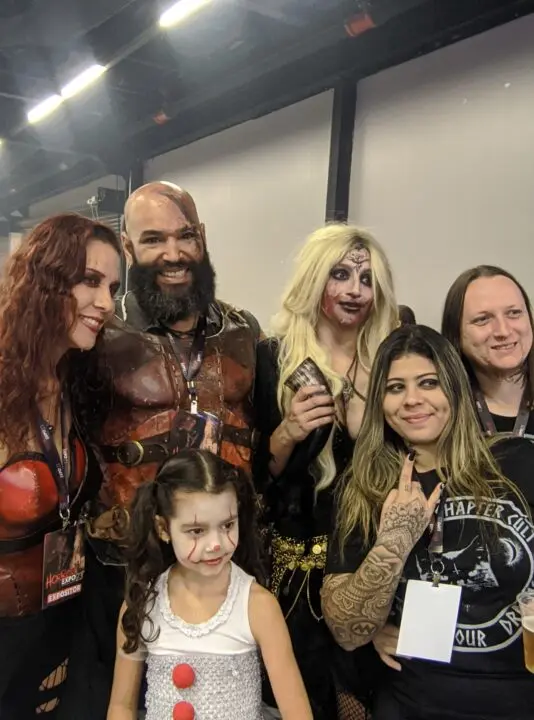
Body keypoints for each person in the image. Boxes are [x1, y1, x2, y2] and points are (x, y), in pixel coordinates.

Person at [78, 181, 262, 717]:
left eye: (185, 236)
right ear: (128, 247)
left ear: (202, 237)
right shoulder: (98, 334)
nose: (174, 253)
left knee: (218, 701)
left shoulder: (243, 330)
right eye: (154, 239)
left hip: (223, 563)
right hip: (121, 564)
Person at [322, 324, 534, 720]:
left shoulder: (518, 461)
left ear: (454, 387)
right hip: (412, 702)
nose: (412, 400)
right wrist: (394, 540)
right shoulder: (366, 486)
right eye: (395, 388)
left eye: (428, 382)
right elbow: (347, 633)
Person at [254, 224, 398, 719]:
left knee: (370, 696)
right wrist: (289, 431)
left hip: (371, 565)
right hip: (296, 577)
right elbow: (258, 475)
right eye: (341, 274)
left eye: (367, 278)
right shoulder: (274, 358)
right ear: (315, 279)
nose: (355, 289)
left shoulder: (391, 362)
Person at [0, 214, 120, 719]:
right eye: (90, 281)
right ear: (45, 281)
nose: (106, 303)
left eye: (113, 288)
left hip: (67, 623)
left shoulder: (74, 381)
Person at [107, 449, 312, 720]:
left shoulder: (257, 606)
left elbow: (298, 714)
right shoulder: (142, 604)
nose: (215, 544)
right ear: (163, 528)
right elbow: (121, 706)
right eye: (197, 531)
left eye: (227, 525)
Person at [442, 265, 534, 439]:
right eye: (483, 319)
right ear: (456, 332)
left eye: (514, 313)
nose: (503, 331)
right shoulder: (439, 414)